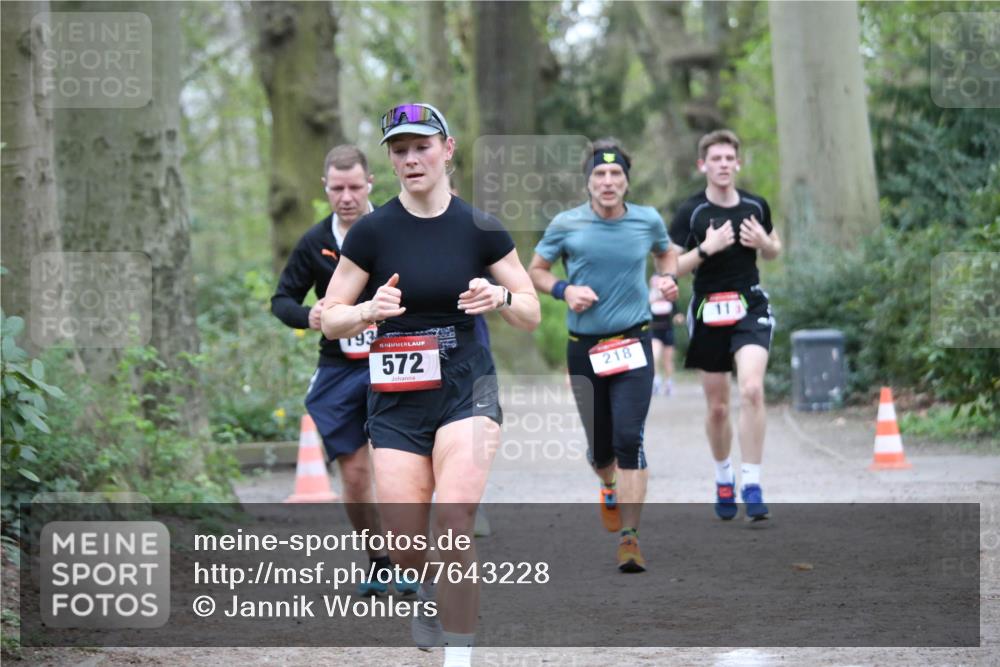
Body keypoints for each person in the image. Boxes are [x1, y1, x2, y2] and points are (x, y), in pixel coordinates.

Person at [321, 103, 539, 667]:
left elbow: (531, 312)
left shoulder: (481, 228)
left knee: (455, 520)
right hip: (397, 398)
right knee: (403, 541)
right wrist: (368, 310)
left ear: (448, 149)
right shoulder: (372, 232)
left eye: (423, 146)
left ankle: (458, 656)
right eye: (400, 150)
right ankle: (423, 586)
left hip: (467, 389)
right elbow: (330, 317)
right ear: (391, 161)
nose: (412, 158)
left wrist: (501, 297)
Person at [529, 139, 679, 573]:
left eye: (616, 174)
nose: (608, 181)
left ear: (627, 181)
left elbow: (666, 252)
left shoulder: (647, 220)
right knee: (601, 451)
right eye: (600, 174)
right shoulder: (566, 224)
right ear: (588, 181)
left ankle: (630, 539)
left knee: (629, 438)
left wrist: (668, 278)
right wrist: (564, 289)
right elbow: (535, 270)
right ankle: (608, 483)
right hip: (585, 348)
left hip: (634, 342)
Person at [271, 144, 410, 596]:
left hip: (398, 357)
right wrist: (308, 315)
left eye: (354, 187)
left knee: (401, 468)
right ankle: (378, 560)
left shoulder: (395, 227)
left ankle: (410, 556)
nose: (346, 197)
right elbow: (282, 300)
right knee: (354, 474)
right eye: (337, 188)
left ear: (370, 183)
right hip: (341, 365)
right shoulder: (315, 241)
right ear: (325, 188)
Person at [669, 129, 781, 521]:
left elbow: (775, 248)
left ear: (738, 163)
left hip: (750, 305)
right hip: (708, 310)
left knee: (751, 389)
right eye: (715, 159)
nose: (723, 165)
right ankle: (723, 477)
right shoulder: (691, 212)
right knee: (717, 408)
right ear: (703, 165)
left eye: (729, 158)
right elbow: (669, 267)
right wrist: (705, 249)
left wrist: (764, 243)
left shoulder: (755, 204)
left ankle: (752, 483)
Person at [648, 273, 676, 397]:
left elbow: (676, 312)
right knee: (654, 357)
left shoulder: (669, 296)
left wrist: (678, 317)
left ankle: (669, 383)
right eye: (653, 282)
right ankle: (656, 381)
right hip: (655, 331)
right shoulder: (649, 298)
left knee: (667, 360)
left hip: (668, 331)